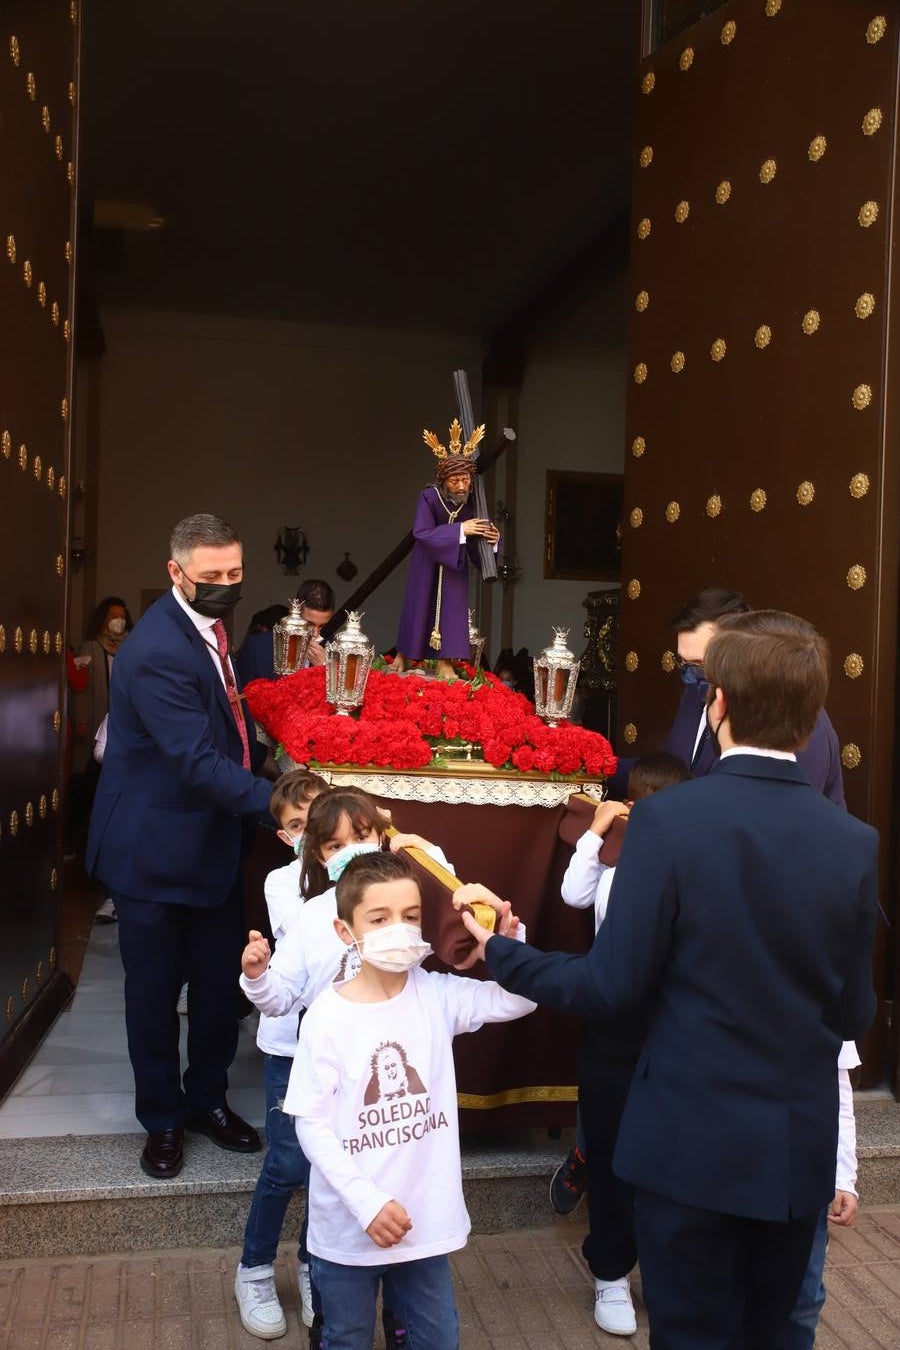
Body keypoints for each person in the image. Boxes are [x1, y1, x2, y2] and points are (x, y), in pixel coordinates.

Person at [459, 610, 879, 1348]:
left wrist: (502, 953)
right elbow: (852, 1008)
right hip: (792, 1147)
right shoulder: (851, 840)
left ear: (716, 703)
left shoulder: (670, 822)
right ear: (812, 719)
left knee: (691, 1331)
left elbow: (610, 987)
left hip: (690, 1143)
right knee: (779, 1332)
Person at [282, 850, 535, 1349]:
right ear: (345, 931)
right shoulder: (327, 1018)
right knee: (347, 1337)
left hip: (424, 1224)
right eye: (379, 918)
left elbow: (520, 999)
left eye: (411, 916)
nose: (399, 928)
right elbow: (310, 1123)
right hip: (350, 1228)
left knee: (437, 1338)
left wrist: (507, 948)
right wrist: (368, 1203)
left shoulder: (435, 995)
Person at [86, 513, 274, 1180]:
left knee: (222, 988)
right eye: (212, 577)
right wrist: (275, 801)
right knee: (155, 995)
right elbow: (195, 760)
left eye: (235, 574)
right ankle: (163, 1119)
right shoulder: (158, 647)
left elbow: (226, 730)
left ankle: (208, 1101)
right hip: (152, 850)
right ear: (175, 573)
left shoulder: (213, 631)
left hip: (210, 844)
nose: (226, 586)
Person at [238, 787, 449, 1348]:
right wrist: (258, 975)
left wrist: (412, 845)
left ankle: (340, 1281)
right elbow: (282, 995)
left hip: (373, 1071)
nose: (350, 849)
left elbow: (448, 883)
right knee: (291, 1165)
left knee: (364, 1163)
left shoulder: (404, 892)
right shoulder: (312, 916)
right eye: (334, 843)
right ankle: (262, 1270)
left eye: (362, 836)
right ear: (315, 853)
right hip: (306, 1056)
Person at [551, 752, 691, 1335]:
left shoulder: (691, 860)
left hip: (674, 1026)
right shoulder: (612, 862)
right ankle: (610, 1273)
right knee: (610, 1154)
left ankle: (662, 1272)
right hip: (613, 1026)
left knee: (669, 1159)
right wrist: (597, 831)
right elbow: (572, 896)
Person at [235, 768, 327, 1340]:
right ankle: (254, 1269)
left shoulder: (360, 873)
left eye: (318, 820)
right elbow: (304, 942)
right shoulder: (281, 882)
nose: (309, 833)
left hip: (342, 1046)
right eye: (298, 826)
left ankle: (314, 1264)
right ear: (286, 836)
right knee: (288, 1162)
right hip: (290, 1047)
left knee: (328, 1169)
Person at [642, 587, 844, 806]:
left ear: (737, 652)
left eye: (702, 666)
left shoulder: (793, 717)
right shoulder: (693, 693)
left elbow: (788, 813)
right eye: (685, 664)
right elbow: (674, 770)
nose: (693, 676)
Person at [395, 419, 498, 680]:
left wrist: (492, 539)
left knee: (452, 610)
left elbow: (478, 548)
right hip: (427, 563)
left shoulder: (472, 504)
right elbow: (422, 533)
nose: (461, 486)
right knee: (418, 606)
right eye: (455, 481)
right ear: (444, 480)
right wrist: (462, 530)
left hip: (454, 568)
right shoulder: (429, 497)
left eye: (465, 480)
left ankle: (445, 662)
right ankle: (403, 655)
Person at [235, 580, 335, 684]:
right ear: (294, 611)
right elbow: (240, 695)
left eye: (322, 626)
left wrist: (324, 668)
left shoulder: (333, 652)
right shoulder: (257, 646)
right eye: (309, 624)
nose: (315, 633)